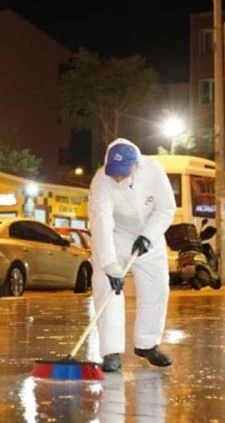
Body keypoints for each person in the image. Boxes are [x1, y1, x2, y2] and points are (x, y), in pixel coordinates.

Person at [88, 138, 177, 373]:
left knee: (156, 290)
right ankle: (111, 351)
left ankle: (147, 344)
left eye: (122, 174)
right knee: (107, 290)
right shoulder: (101, 181)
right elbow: (101, 221)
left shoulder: (154, 170)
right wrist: (109, 264)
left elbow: (166, 208)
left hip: (149, 237)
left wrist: (148, 236)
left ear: (135, 166)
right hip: (115, 238)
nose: (117, 179)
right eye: (113, 173)